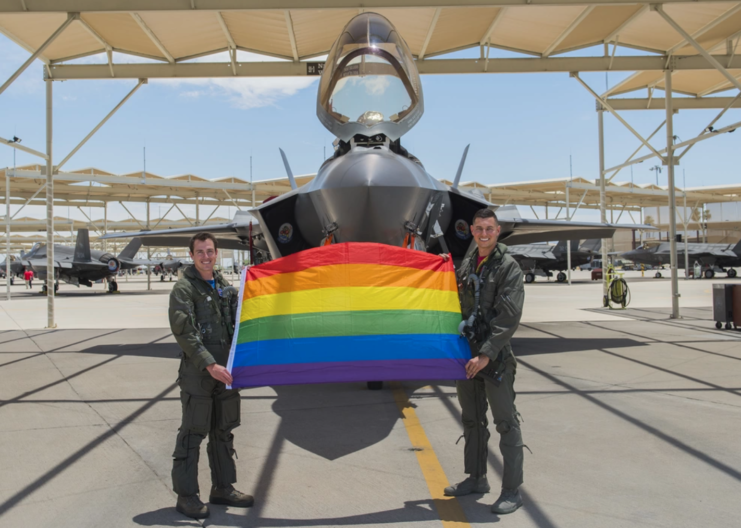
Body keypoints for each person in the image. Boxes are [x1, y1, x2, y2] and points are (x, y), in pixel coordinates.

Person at [444, 208, 527, 515]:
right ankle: (476, 478)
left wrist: (486, 353)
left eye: (489, 229)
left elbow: (509, 318)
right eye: (478, 228)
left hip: (494, 359)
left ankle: (512, 491)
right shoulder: (467, 263)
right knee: (472, 420)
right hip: (468, 357)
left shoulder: (508, 267)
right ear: (473, 231)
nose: (483, 233)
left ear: (498, 230)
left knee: (506, 423)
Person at [168, 232, 252, 519]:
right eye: (200, 252)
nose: (206, 256)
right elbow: (185, 333)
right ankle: (187, 496)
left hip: (225, 372)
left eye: (210, 251)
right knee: (193, 434)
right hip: (199, 374)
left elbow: (237, 322)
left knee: (223, 431)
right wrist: (210, 365)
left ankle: (222, 487)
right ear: (192, 255)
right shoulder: (183, 289)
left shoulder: (223, 285)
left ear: (217, 254)